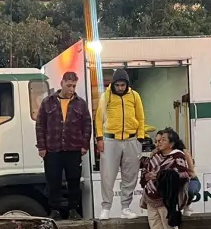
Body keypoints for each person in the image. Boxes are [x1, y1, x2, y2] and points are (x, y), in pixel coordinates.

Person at [35, 71, 91, 219]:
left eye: (74, 86)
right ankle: (55, 210)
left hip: (73, 148)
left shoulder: (81, 103)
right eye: (69, 85)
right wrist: (42, 147)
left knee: (74, 180)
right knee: (53, 180)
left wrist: (84, 144)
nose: (71, 89)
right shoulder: (48, 102)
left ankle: (73, 210)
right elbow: (40, 125)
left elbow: (87, 125)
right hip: (53, 148)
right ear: (62, 83)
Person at [94, 68, 146, 220]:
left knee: (130, 176)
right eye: (118, 85)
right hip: (110, 140)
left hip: (131, 140)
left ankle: (126, 207)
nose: (120, 88)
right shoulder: (106, 96)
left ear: (127, 84)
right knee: (107, 176)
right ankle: (105, 208)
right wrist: (99, 138)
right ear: (113, 84)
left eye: (123, 85)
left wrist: (140, 137)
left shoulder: (135, 96)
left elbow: (141, 117)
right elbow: (98, 119)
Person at [139, 128, 193, 229]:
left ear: (172, 143)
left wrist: (160, 176)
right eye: (158, 140)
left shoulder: (177, 156)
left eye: (163, 140)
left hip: (166, 200)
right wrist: (147, 176)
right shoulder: (154, 156)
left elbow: (184, 175)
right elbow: (145, 172)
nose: (159, 143)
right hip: (151, 199)